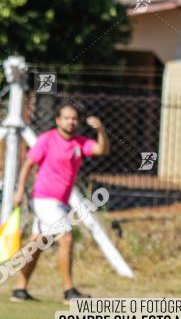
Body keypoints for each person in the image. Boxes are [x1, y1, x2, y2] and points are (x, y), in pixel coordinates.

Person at [11, 101, 108, 302]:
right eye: (67, 118)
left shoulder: (79, 143)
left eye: (74, 118)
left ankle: (20, 289)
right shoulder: (47, 140)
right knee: (66, 237)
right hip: (45, 199)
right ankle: (68, 291)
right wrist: (20, 191)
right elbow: (28, 164)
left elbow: (101, 150)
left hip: (60, 202)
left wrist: (101, 130)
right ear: (58, 120)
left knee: (36, 244)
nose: (71, 122)